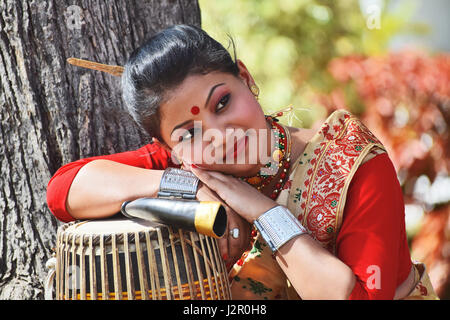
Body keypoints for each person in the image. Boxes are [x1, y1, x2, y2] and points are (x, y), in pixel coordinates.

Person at [46, 24, 438, 300]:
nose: (218, 134)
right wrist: (192, 188)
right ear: (170, 147)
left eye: (222, 102)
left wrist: (263, 213)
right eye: (188, 132)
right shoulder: (191, 167)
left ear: (246, 79)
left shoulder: (351, 162)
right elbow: (65, 189)